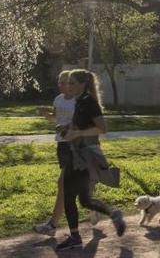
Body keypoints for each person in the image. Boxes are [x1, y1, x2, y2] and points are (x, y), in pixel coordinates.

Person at [55, 69, 126, 251]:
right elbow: (80, 123)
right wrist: (66, 127)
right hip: (78, 152)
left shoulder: (89, 102)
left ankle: (75, 236)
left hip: (84, 155)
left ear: (82, 84)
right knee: (84, 200)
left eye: (72, 83)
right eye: (67, 83)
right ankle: (113, 214)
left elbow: (102, 128)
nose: (68, 86)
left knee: (69, 194)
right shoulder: (80, 101)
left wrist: (77, 133)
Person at [33, 71, 76, 236]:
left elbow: (80, 122)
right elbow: (56, 119)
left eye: (63, 82)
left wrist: (67, 128)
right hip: (62, 145)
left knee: (63, 183)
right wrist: (47, 115)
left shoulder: (78, 100)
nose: (60, 85)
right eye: (59, 82)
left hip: (74, 144)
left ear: (71, 83)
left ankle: (52, 225)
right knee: (73, 183)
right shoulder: (58, 99)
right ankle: (95, 208)